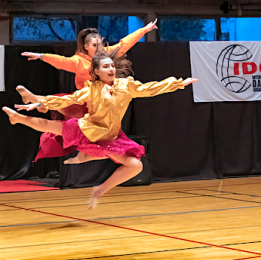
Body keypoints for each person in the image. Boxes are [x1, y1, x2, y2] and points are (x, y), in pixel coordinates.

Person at [3, 49, 198, 209]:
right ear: (97, 72)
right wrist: (40, 104)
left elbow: (150, 88)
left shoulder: (126, 85)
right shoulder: (92, 89)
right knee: (51, 126)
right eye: (106, 66)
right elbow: (69, 99)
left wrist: (178, 83)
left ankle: (99, 190)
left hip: (112, 137)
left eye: (112, 65)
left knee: (136, 165)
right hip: (88, 129)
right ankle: (18, 117)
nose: (111, 69)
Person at [16, 19, 159, 161]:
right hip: (85, 100)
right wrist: (42, 56)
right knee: (63, 101)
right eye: (94, 45)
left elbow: (124, 44)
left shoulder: (106, 55)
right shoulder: (78, 61)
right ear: (86, 47)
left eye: (100, 44)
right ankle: (34, 98)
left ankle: (83, 154)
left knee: (97, 136)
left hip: (100, 106)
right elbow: (61, 61)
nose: (99, 48)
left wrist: (144, 29)